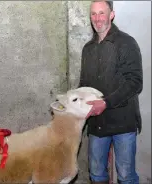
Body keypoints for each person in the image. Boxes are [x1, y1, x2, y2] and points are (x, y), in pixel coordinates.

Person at [78, 1, 143, 184]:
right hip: (97, 123)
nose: (97, 19)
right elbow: (83, 84)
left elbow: (135, 82)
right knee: (97, 174)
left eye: (101, 13)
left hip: (123, 121)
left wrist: (105, 102)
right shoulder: (88, 49)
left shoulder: (126, 43)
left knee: (125, 175)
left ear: (111, 15)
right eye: (93, 14)